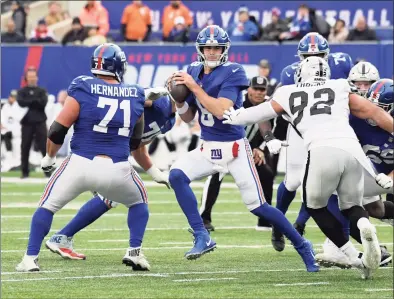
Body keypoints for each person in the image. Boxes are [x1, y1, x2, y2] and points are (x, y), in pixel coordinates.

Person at [222, 56, 394, 279]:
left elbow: (262, 111)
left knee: (314, 205)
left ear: (301, 73)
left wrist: (237, 117)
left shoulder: (288, 91)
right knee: (352, 204)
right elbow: (373, 112)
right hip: (352, 151)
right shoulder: (340, 85)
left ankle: (354, 257)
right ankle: (363, 224)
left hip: (321, 150)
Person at [167, 25, 318, 272]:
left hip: (235, 149)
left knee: (259, 207)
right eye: (208, 47)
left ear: (224, 49)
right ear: (201, 49)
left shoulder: (234, 71)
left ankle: (302, 245)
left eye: (217, 47)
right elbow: (188, 117)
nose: (213, 52)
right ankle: (201, 234)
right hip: (208, 148)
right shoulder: (194, 70)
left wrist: (193, 88)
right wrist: (179, 100)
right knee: (177, 175)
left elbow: (220, 110)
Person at [16, 43, 147, 272]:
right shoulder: (136, 93)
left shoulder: (83, 86)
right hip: (118, 168)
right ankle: (134, 252)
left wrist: (49, 157)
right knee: (139, 202)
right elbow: (136, 141)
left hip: (81, 163)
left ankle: (30, 259)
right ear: (118, 66)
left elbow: (58, 129)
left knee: (47, 206)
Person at [44, 94, 176, 264]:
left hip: (107, 152)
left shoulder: (168, 119)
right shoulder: (156, 102)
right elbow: (134, 98)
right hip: (94, 149)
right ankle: (133, 251)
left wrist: (155, 172)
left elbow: (138, 148)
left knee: (110, 198)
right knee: (133, 198)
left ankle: (60, 237)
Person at [266, 32, 353, 252]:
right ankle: (279, 224)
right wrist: (269, 137)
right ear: (299, 56)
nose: (313, 61)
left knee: (325, 183)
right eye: (307, 56)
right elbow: (271, 109)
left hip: (329, 131)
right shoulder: (289, 74)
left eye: (319, 55)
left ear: (328, 54)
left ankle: (301, 223)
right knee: (294, 180)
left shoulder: (341, 66)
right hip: (300, 130)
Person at [315, 78, 394, 269]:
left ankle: (336, 246)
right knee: (375, 209)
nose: (373, 111)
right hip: (373, 172)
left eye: (381, 107)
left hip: (387, 174)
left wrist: (391, 177)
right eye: (371, 104)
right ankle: (346, 246)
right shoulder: (355, 120)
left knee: (339, 192)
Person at [199, 76, 276, 231]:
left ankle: (265, 221)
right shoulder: (237, 102)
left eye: (262, 89)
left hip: (249, 150)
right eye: (256, 89)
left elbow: (269, 129)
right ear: (248, 89)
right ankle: (204, 218)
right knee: (216, 175)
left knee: (267, 174)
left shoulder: (269, 105)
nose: (259, 93)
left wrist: (260, 148)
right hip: (227, 144)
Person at [17, 67, 49, 178]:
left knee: (44, 147)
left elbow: (43, 103)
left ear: (37, 77)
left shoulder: (42, 91)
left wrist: (30, 101)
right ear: (26, 78)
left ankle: (47, 171)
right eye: (29, 77)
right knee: (25, 147)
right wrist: (35, 100)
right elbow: (21, 102)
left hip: (40, 122)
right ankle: (24, 172)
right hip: (27, 123)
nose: (31, 79)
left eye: (33, 77)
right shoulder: (21, 91)